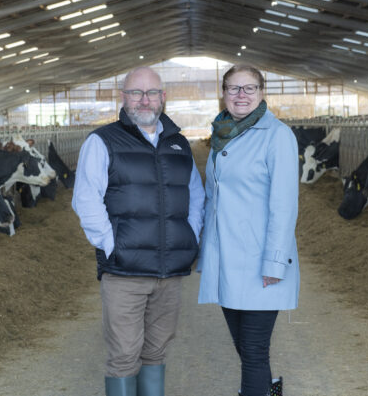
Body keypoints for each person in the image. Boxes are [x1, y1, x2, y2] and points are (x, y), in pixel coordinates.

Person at [72, 66, 205, 396]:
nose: (143, 100)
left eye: (151, 93)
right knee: (124, 355)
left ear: (163, 98)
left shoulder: (179, 145)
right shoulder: (102, 141)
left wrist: (190, 237)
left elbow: (197, 197)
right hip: (124, 273)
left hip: (169, 274)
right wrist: (110, 244)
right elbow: (85, 198)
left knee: (156, 352)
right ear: (123, 97)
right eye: (135, 93)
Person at [197, 64, 300, 396]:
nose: (241, 95)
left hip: (258, 261)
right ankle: (270, 390)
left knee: (254, 352)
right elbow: (214, 198)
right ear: (224, 93)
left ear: (261, 92)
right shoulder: (221, 133)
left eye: (249, 88)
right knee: (244, 346)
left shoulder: (278, 135)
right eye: (233, 88)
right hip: (227, 258)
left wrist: (274, 262)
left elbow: (283, 206)